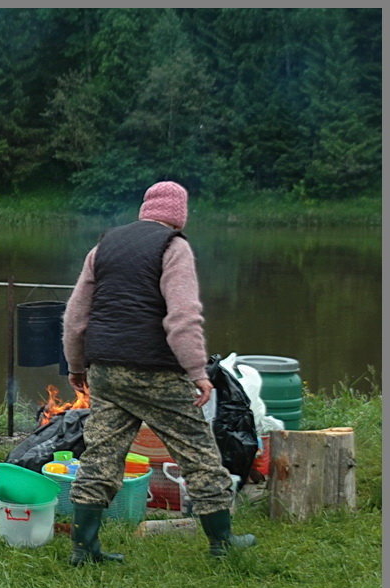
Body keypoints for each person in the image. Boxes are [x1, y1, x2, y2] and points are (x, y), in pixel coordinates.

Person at [61, 180, 256, 564]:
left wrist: (77, 365)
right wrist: (198, 371)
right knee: (197, 451)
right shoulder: (174, 247)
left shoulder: (104, 246)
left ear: (145, 209)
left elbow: (75, 318)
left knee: (101, 455)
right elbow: (183, 316)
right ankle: (222, 542)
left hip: (106, 370)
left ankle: (84, 549)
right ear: (180, 216)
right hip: (156, 372)